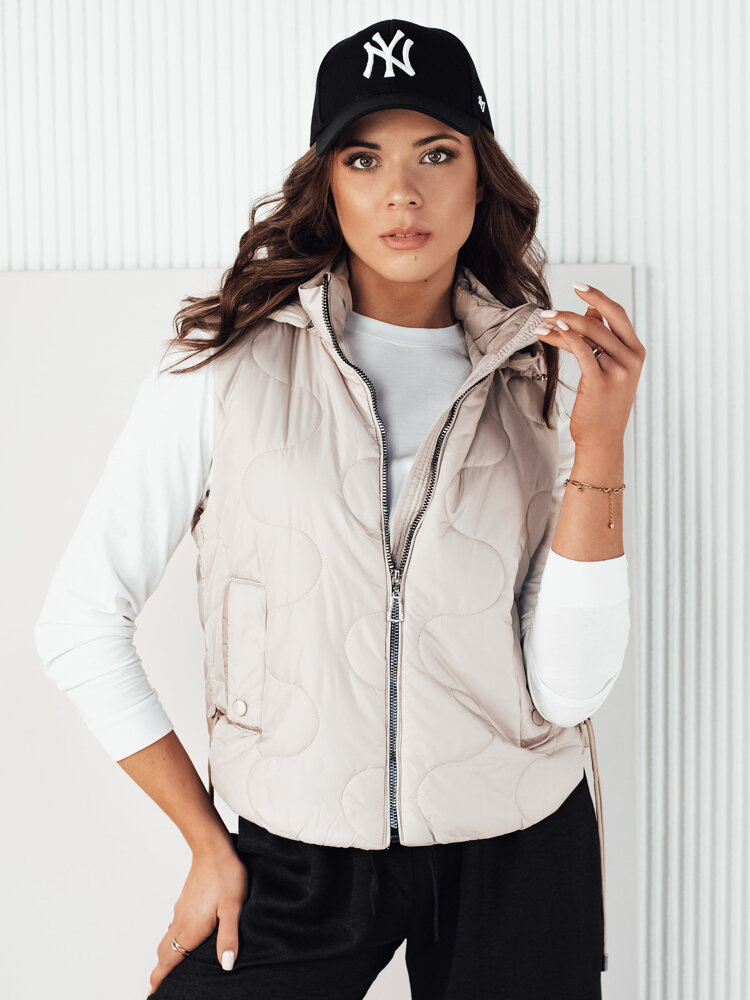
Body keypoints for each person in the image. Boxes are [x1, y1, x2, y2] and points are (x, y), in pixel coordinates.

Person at [34, 17, 643, 1000]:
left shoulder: (549, 376)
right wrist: (206, 843)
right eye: (365, 159)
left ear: (480, 176)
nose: (402, 193)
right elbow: (78, 621)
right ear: (327, 183)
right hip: (297, 851)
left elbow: (568, 693)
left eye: (436, 154)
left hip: (518, 846)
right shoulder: (223, 368)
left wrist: (602, 444)